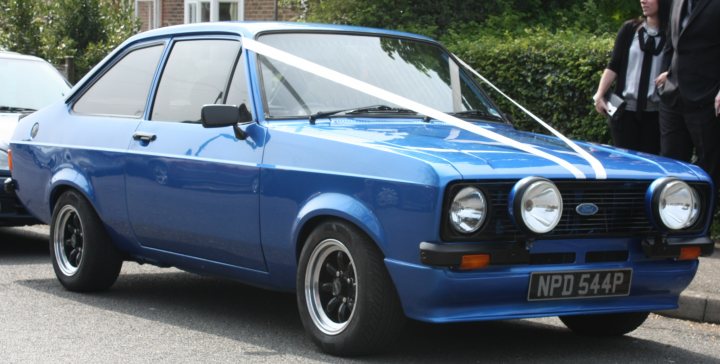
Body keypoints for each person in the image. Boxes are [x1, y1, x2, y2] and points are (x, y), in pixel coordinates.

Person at [657, 0, 720, 196]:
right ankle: (672, 220)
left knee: (708, 167)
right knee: (670, 163)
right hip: (672, 96)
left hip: (707, 96)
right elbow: (671, 41)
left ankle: (702, 223)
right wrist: (666, 71)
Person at [592, 0, 671, 154]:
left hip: (655, 115)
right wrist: (600, 94)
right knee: (625, 162)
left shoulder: (671, 34)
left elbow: (679, 63)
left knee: (650, 164)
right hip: (624, 112)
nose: (643, 1)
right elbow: (614, 65)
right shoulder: (630, 29)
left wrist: (670, 74)